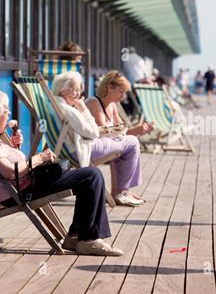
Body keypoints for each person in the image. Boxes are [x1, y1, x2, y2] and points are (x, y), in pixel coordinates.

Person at [0, 88, 123, 256]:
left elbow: (2, 165)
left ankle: (76, 236)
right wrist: (38, 159)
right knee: (91, 176)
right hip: (22, 190)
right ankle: (88, 240)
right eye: (5, 109)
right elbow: (9, 172)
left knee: (87, 177)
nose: (9, 113)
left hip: (22, 185)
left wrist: (14, 149)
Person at [53, 70, 152, 206]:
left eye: (78, 90)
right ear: (64, 90)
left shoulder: (58, 106)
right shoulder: (72, 109)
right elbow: (93, 132)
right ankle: (122, 192)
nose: (78, 94)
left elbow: (118, 131)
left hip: (76, 148)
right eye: (74, 90)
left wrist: (136, 130)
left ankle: (121, 191)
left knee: (128, 143)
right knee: (132, 142)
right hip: (83, 149)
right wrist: (83, 109)